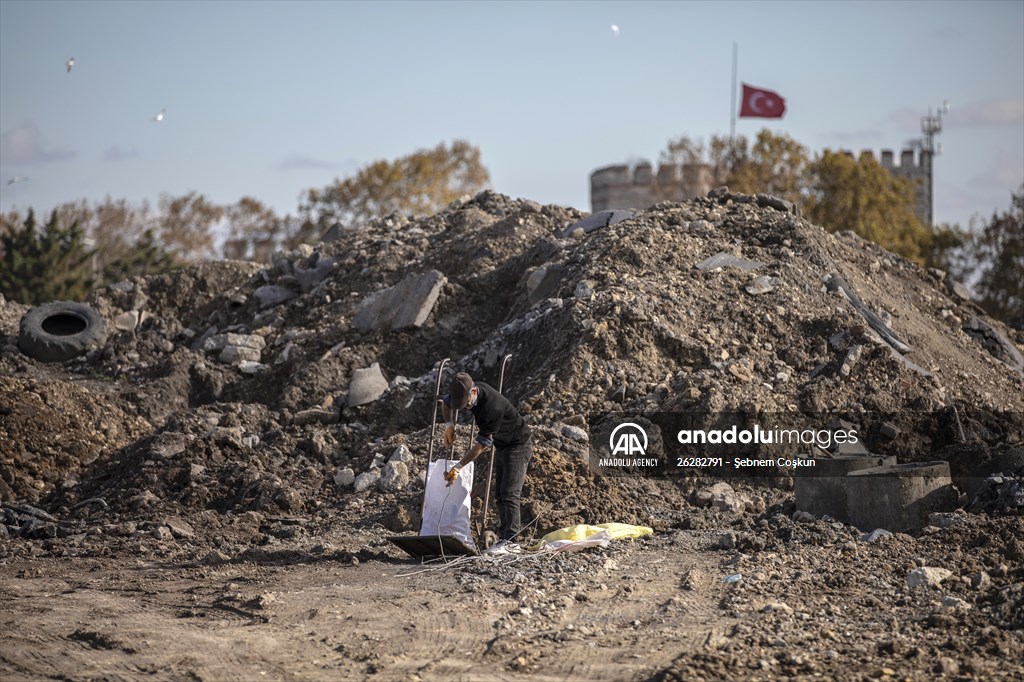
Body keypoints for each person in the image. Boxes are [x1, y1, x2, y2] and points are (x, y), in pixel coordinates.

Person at [441, 371, 532, 554]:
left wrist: (459, 466)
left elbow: (481, 445)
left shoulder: (492, 407)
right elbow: (445, 402)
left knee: (510, 493)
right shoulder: (465, 393)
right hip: (503, 445)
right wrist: (449, 426)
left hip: (518, 444)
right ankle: (504, 536)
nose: (466, 408)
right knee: (499, 494)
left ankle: (512, 541)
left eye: (466, 404)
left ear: (473, 391)